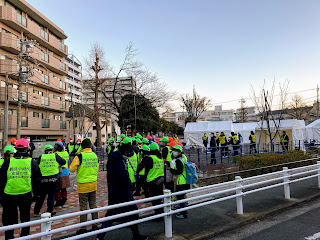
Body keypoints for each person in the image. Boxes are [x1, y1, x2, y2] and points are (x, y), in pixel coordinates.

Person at [97, 137, 148, 240]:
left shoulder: (114, 159)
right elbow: (124, 177)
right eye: (129, 152)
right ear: (125, 151)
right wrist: (130, 185)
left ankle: (100, 237)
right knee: (133, 212)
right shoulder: (120, 161)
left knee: (111, 215)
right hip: (123, 192)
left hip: (114, 191)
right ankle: (136, 235)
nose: (130, 155)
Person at [0, 138, 41, 240]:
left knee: (9, 220)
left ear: (16, 149)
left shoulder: (8, 162)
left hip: (9, 194)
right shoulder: (31, 162)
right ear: (27, 148)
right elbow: (36, 180)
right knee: (25, 219)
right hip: (25, 194)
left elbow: (1, 180)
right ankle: (24, 237)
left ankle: (9, 238)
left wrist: (1, 197)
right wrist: (36, 195)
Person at [69, 138, 99, 234]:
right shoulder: (95, 155)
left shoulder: (80, 156)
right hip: (93, 184)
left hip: (83, 186)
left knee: (83, 207)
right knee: (93, 205)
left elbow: (72, 169)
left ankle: (83, 228)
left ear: (82, 146)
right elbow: (97, 168)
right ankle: (95, 225)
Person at [34, 144, 66, 217]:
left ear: (45, 151)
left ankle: (36, 211)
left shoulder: (41, 157)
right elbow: (63, 162)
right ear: (52, 150)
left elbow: (36, 166)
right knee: (51, 196)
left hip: (43, 179)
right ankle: (49, 211)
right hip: (53, 179)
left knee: (41, 196)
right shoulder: (55, 156)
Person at [141, 142, 164, 221]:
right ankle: (160, 213)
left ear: (151, 149)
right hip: (160, 181)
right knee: (159, 198)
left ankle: (158, 216)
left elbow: (145, 169)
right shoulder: (160, 157)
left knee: (154, 199)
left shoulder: (150, 158)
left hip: (152, 181)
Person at [169, 145, 190, 219]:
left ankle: (184, 213)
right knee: (182, 197)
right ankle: (183, 211)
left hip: (180, 182)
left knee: (180, 197)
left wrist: (171, 170)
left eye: (175, 151)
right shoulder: (183, 158)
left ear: (179, 152)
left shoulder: (178, 161)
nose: (174, 152)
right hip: (185, 180)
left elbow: (179, 171)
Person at [54, 141, 70, 208]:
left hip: (59, 172)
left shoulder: (55, 154)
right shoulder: (66, 153)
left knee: (57, 189)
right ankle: (64, 201)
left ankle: (58, 203)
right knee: (64, 188)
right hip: (66, 171)